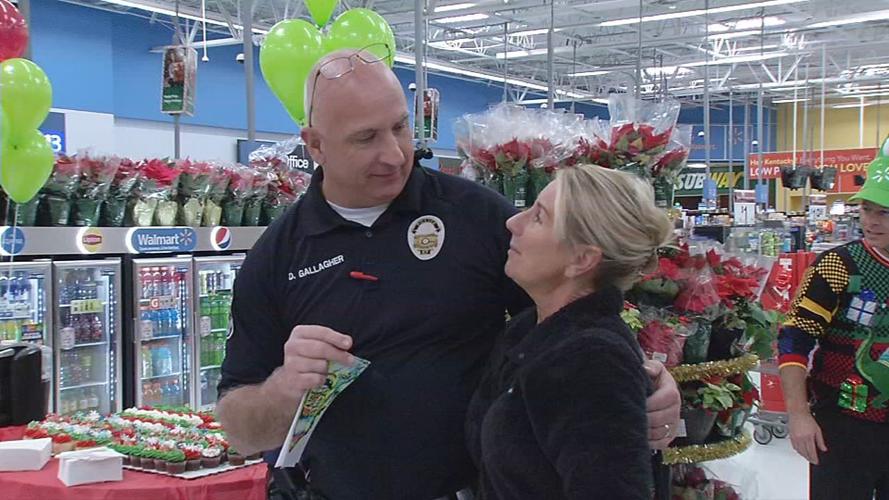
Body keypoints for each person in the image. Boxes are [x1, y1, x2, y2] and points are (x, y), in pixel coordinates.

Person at [216, 45, 681, 500]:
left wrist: (649, 380)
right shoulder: (275, 257)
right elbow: (239, 430)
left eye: (400, 127)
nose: (395, 154)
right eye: (366, 137)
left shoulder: (478, 217)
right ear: (315, 144)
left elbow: (573, 320)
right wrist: (284, 387)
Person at [465, 165, 672, 499]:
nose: (512, 222)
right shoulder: (531, 330)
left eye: (538, 217)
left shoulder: (591, 361)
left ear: (581, 259)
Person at [779, 140, 889, 500]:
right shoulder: (837, 266)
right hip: (842, 427)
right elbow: (795, 338)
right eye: (867, 209)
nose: (870, 221)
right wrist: (797, 415)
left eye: (884, 212)